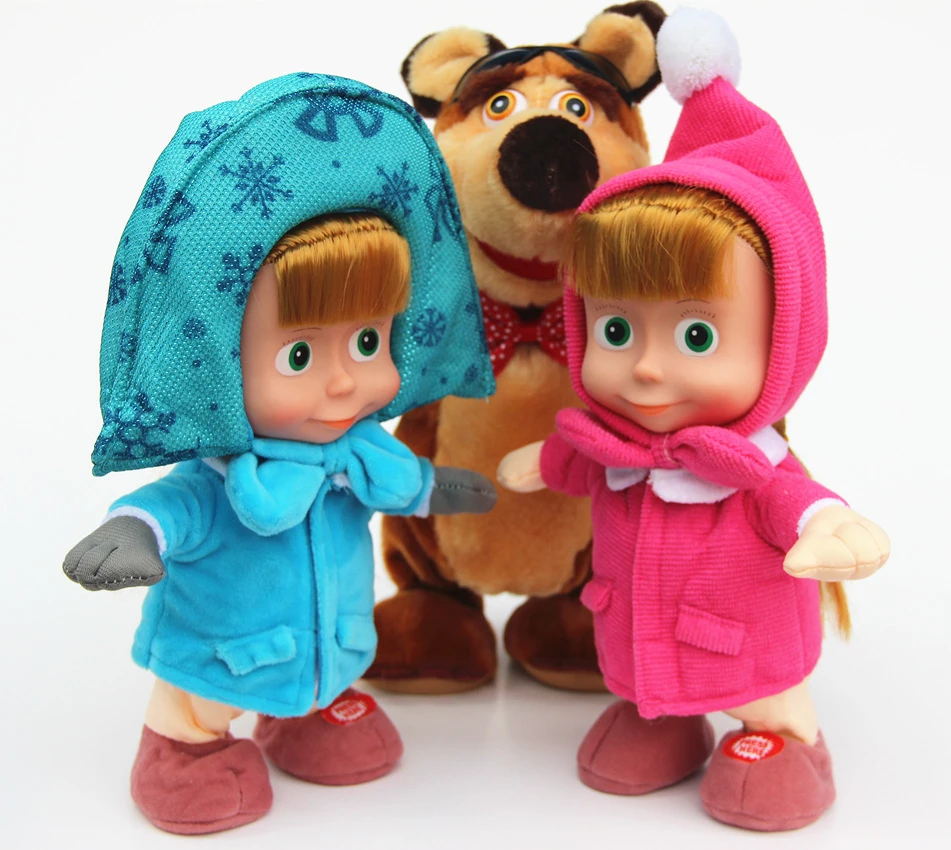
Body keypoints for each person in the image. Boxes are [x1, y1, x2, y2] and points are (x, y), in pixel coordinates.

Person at [63, 73, 495, 835]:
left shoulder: (360, 453)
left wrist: (439, 487)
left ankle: (312, 711)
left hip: (332, 642)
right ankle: (181, 746)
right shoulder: (221, 476)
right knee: (200, 699)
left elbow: (400, 485)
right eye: (299, 354)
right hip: (224, 654)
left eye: (368, 342)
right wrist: (133, 532)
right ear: (219, 362)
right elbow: (171, 507)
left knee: (333, 676)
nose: (344, 381)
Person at [497, 9, 889, 832]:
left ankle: (788, 739)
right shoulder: (615, 443)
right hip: (635, 635)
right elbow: (583, 462)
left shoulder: (751, 463)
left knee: (768, 694)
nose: (645, 367)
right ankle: (661, 718)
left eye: (696, 336)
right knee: (642, 694)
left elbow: (796, 503)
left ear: (781, 337)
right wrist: (546, 460)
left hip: (744, 646)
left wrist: (829, 526)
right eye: (614, 329)